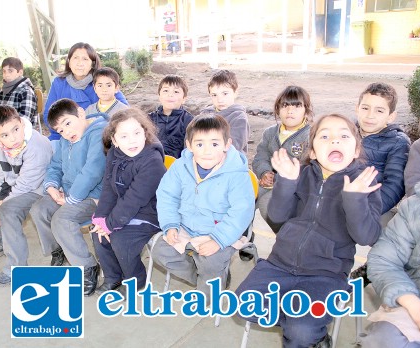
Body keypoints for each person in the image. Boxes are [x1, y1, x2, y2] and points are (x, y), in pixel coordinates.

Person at [235, 113, 382, 348]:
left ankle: (307, 332)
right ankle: (311, 331)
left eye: (344, 136)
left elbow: (368, 236)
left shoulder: (363, 184)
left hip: (325, 274)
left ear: (356, 150)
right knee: (243, 304)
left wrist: (355, 199)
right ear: (312, 151)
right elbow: (277, 215)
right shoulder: (301, 174)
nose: (334, 141)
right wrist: (287, 182)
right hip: (279, 264)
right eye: (324, 136)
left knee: (300, 331)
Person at [152, 114, 255, 297]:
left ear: (227, 144)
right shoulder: (180, 167)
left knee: (211, 264)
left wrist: (218, 240)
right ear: (189, 145)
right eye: (200, 144)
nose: (207, 151)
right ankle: (200, 277)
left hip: (219, 232)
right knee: (160, 250)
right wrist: (170, 225)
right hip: (185, 226)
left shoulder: (237, 174)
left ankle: (211, 280)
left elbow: (241, 211)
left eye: (214, 144)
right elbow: (167, 196)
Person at [30, 98, 107, 296]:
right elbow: (55, 165)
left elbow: (93, 171)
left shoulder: (98, 133)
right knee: (39, 210)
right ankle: (60, 248)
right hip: (69, 192)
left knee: (62, 219)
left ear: (81, 114)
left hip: (95, 197)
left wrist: (71, 199)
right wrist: (52, 185)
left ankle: (87, 266)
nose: (66, 132)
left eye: (67, 123)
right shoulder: (66, 140)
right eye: (61, 130)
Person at [0, 105, 52, 287]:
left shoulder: (36, 145)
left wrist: (3, 203)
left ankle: (16, 269)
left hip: (38, 190)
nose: (13, 138)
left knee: (7, 210)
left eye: (15, 130)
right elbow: (1, 171)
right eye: (4, 135)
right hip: (16, 185)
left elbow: (27, 184)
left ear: (22, 124)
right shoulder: (0, 144)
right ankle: (4, 236)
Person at [91, 108, 166, 294]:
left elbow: (134, 199)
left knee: (121, 239)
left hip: (151, 213)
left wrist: (111, 223)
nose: (132, 140)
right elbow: (108, 187)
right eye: (124, 136)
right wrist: (101, 219)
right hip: (125, 209)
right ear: (114, 141)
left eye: (137, 133)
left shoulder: (152, 162)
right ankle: (113, 276)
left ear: (145, 133)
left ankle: (135, 280)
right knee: (98, 233)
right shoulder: (113, 154)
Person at [350, 82, 410, 285]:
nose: (370, 115)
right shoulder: (344, 131)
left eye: (379, 110)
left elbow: (395, 184)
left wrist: (371, 208)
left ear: (391, 116)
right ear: (357, 108)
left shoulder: (398, 142)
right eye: (365, 108)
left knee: (389, 234)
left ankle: (375, 264)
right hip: (340, 195)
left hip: (374, 202)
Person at [363, 183, 420, 348]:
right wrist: (414, 306)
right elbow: (385, 259)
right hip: (414, 297)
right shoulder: (414, 207)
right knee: (385, 339)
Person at [42, 42, 127, 149]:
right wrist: (66, 131)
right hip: (63, 137)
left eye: (85, 59)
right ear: (69, 61)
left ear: (92, 63)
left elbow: (124, 111)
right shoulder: (59, 83)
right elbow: (48, 116)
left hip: (98, 137)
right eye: (75, 58)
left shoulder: (102, 82)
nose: (79, 63)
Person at [252, 85, 313, 233]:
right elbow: (260, 157)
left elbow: (308, 169)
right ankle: (243, 239)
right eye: (285, 105)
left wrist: (278, 179)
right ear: (277, 109)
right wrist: (264, 172)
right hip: (265, 183)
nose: (290, 110)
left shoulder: (310, 135)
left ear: (306, 110)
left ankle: (286, 239)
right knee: (242, 200)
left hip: (293, 189)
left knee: (269, 207)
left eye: (297, 106)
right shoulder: (270, 133)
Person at [202, 69, 250, 154]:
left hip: (230, 161)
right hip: (204, 157)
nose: (220, 99)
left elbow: (234, 146)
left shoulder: (239, 118)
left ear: (235, 93)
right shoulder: (204, 114)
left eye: (225, 94)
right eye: (214, 95)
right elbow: (191, 137)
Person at [148, 74, 193, 159]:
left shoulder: (190, 121)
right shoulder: (149, 119)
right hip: (152, 164)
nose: (170, 95)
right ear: (159, 96)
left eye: (176, 92)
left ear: (184, 98)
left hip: (178, 165)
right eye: (166, 91)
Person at [0, 57, 37, 125]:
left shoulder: (26, 91)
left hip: (21, 131)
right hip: (3, 129)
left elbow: (25, 120)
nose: (6, 74)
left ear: (20, 72)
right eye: (4, 71)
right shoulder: (3, 91)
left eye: (10, 71)